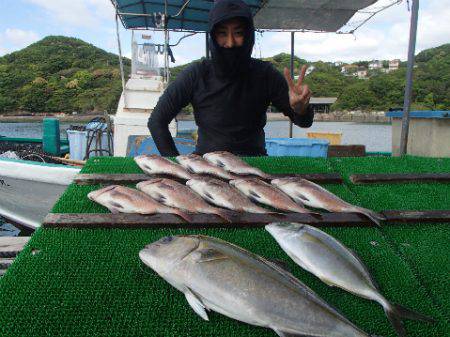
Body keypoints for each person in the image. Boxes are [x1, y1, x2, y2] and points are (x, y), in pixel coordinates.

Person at [148, 0, 313, 156]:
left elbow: (304, 122)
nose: (230, 42)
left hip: (253, 166)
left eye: (238, 33)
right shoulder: (196, 74)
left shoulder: (265, 74)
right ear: (212, 36)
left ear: (249, 35)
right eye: (222, 33)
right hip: (207, 167)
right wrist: (176, 167)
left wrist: (301, 109)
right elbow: (157, 121)